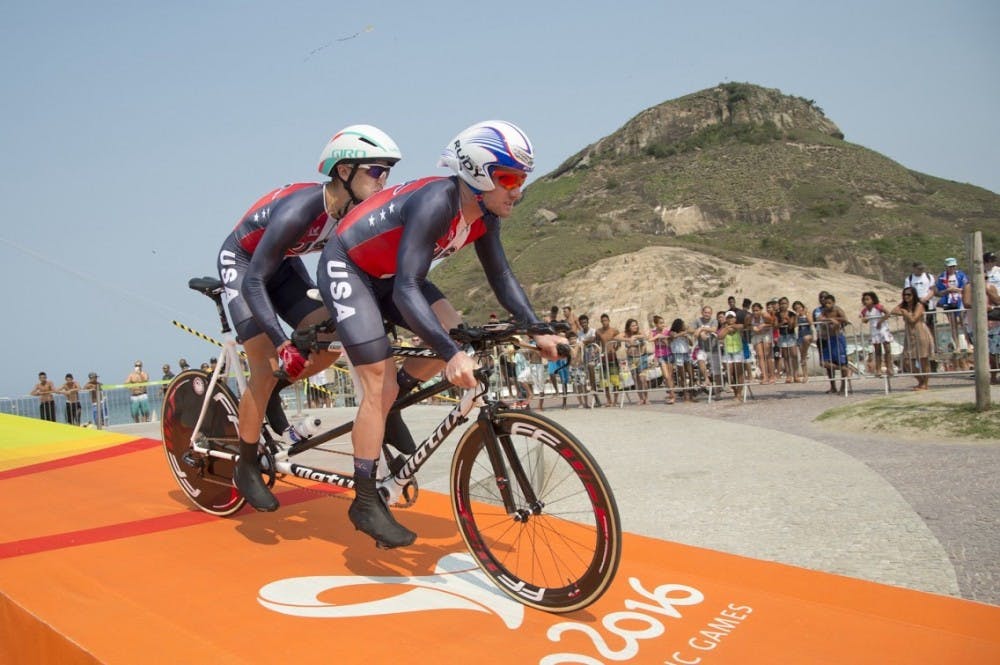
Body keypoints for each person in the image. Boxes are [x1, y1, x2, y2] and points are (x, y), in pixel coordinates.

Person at [315, 120, 565, 548]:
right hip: (350, 267)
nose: (517, 191)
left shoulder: (484, 214)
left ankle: (390, 406)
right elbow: (408, 288)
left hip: (390, 273)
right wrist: (448, 354)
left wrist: (537, 328)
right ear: (478, 173)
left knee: (456, 334)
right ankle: (365, 498)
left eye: (521, 179)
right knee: (380, 379)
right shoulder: (437, 201)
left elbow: (501, 275)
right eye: (507, 179)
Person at [219, 125, 403, 514]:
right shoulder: (302, 210)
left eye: (388, 171)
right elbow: (254, 281)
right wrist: (282, 343)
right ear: (344, 172)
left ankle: (268, 392)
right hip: (244, 267)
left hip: (282, 267)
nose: (384, 179)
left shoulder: (353, 211)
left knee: (329, 340)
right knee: (265, 366)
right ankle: (246, 464)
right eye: (375, 170)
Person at [891, 286, 934, 391]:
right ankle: (920, 381)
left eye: (909, 294)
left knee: (923, 359)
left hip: (920, 332)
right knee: (907, 361)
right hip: (909, 334)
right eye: (904, 295)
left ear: (914, 295)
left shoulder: (919, 305)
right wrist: (904, 309)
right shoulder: (905, 306)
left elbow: (913, 319)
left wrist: (905, 313)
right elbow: (893, 310)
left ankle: (925, 384)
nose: (906, 297)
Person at [860, 291, 894, 377]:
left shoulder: (878, 307)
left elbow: (887, 313)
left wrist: (880, 321)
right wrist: (863, 319)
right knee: (878, 351)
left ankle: (889, 368)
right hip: (874, 331)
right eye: (864, 300)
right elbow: (865, 320)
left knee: (887, 350)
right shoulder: (865, 310)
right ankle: (878, 370)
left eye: (867, 299)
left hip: (882, 329)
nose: (866, 301)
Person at [792, 300, 813, 383]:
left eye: (799, 307)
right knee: (802, 357)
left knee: (805, 354)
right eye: (796, 308)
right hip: (800, 336)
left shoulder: (807, 314)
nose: (798, 309)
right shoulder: (796, 317)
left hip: (808, 335)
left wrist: (806, 314)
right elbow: (795, 325)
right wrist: (797, 317)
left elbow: (811, 322)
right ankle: (805, 375)